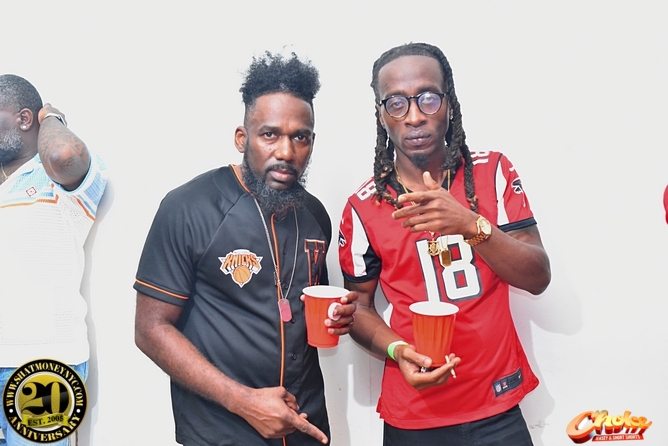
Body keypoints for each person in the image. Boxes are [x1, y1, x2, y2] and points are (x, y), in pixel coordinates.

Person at [133, 52, 356, 446]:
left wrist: (338, 318)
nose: (286, 152)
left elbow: (298, 311)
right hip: (223, 432)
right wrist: (244, 401)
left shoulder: (315, 215)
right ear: (242, 137)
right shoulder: (189, 207)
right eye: (270, 134)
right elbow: (150, 330)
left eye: (300, 137)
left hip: (306, 427)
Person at [338, 43, 551, 445]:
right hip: (413, 413)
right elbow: (359, 309)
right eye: (397, 103)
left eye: (428, 98)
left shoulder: (492, 172)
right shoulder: (363, 207)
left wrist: (471, 225)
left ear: (449, 104)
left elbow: (538, 277)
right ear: (381, 115)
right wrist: (397, 350)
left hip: (496, 405)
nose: (414, 116)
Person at [0, 74, 107, 445]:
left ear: (24, 119)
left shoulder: (58, 181)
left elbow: (63, 155)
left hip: (42, 366)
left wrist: (52, 117)